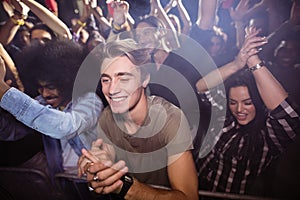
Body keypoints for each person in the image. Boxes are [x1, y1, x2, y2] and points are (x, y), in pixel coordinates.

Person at [78, 38, 198, 200]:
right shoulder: (106, 117)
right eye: (106, 80)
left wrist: (127, 187)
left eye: (124, 78)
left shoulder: (170, 119)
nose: (112, 90)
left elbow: (189, 197)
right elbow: (107, 158)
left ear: (144, 79)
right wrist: (98, 169)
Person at [195, 26, 300, 196]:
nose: (239, 109)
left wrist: (253, 62)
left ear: (259, 104)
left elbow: (289, 116)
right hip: (198, 191)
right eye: (233, 102)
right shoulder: (226, 119)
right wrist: (237, 63)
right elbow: (201, 88)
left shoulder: (268, 137)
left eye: (247, 103)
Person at [0, 40, 103, 184]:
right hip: (62, 183)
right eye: (40, 88)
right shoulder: (42, 101)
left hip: (95, 182)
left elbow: (66, 127)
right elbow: (11, 131)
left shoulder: (89, 101)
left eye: (51, 86)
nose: (45, 94)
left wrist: (5, 93)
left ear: (68, 81)